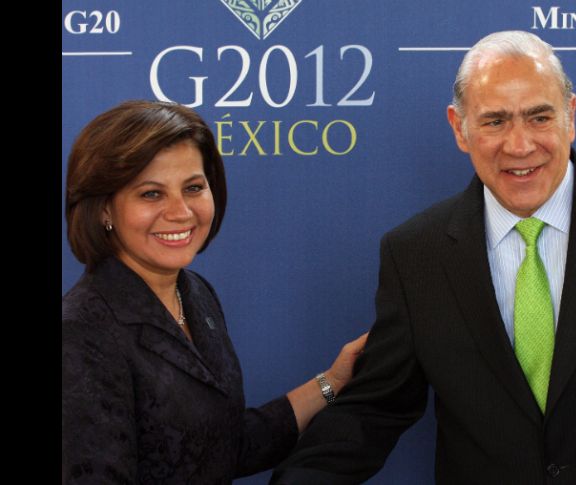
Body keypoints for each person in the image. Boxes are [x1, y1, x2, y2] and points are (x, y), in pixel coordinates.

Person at [270, 30, 576, 484]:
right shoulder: (415, 254)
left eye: (539, 117)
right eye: (494, 122)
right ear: (459, 127)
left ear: (570, 116)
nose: (519, 146)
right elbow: (375, 409)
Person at [61, 100, 368, 484]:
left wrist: (333, 382)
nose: (180, 212)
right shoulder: (81, 333)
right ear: (104, 208)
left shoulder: (194, 293)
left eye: (193, 187)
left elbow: (222, 446)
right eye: (151, 194)